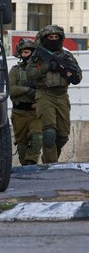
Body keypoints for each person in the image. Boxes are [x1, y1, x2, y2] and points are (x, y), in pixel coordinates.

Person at [26, 25, 82, 163]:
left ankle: (50, 157)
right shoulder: (38, 56)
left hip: (62, 95)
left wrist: (64, 70)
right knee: (49, 133)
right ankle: (51, 165)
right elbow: (29, 74)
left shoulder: (67, 56)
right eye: (50, 37)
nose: (53, 39)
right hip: (45, 94)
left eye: (56, 37)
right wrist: (45, 67)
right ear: (45, 39)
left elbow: (77, 76)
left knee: (63, 135)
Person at [9, 38, 42, 165]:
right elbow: (11, 90)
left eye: (27, 52)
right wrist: (28, 90)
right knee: (21, 144)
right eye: (22, 53)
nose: (24, 55)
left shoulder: (40, 70)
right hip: (19, 113)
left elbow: (47, 89)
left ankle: (32, 162)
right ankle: (25, 166)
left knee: (37, 137)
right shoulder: (15, 70)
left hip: (35, 112)